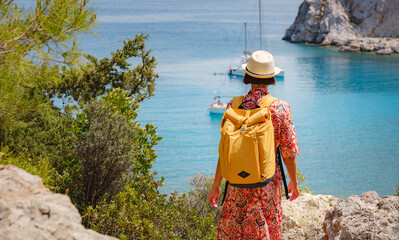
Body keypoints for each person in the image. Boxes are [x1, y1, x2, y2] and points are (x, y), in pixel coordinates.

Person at [208, 50, 300, 240]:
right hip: (265, 189)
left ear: (247, 76)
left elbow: (224, 151)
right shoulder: (280, 108)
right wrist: (294, 183)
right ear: (272, 77)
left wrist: (216, 185)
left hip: (235, 188)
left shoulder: (232, 106)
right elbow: (288, 153)